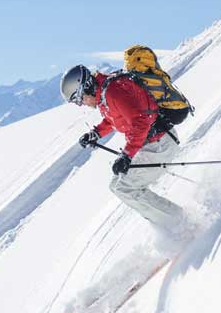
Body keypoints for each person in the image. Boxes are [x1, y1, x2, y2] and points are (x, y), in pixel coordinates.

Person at [61, 64, 186, 234]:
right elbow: (115, 118)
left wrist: (127, 155)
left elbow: (141, 121)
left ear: (86, 87)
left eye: (79, 98)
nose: (81, 104)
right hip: (150, 145)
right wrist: (95, 134)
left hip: (160, 143)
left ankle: (180, 222)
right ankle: (169, 224)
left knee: (126, 188)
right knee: (116, 185)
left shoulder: (114, 91)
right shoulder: (105, 94)